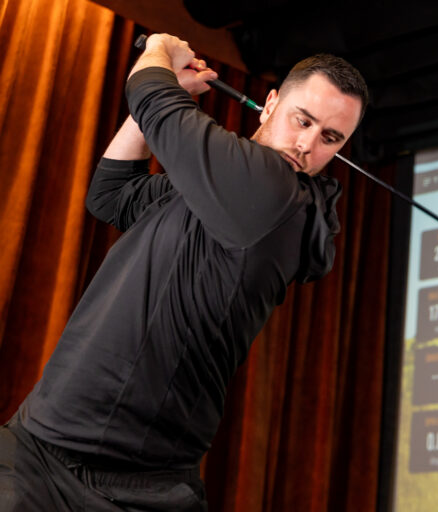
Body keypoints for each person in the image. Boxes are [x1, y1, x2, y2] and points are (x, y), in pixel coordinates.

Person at [0, 33, 368, 511]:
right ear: (271, 104)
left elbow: (150, 94)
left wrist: (159, 48)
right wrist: (163, 89)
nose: (306, 145)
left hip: (135, 487)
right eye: (304, 120)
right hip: (38, 446)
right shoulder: (224, 187)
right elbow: (111, 196)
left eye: (330, 138)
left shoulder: (276, 194)